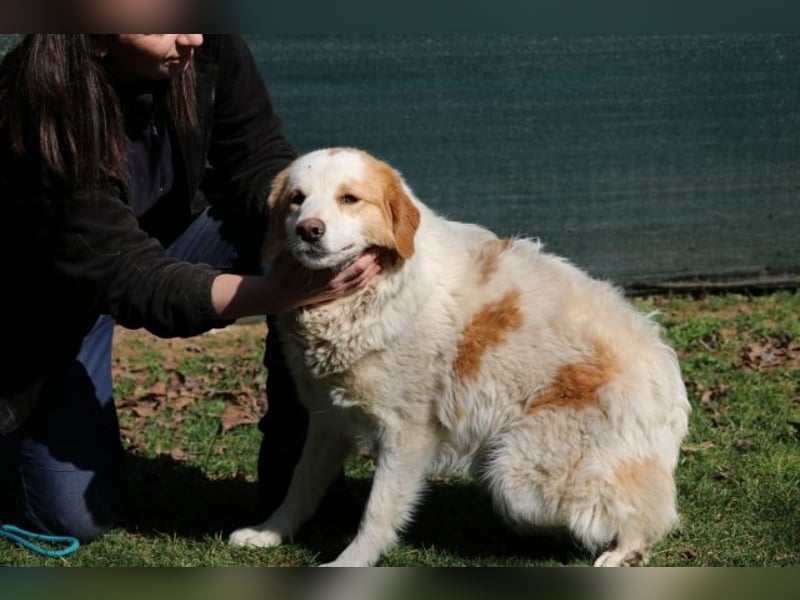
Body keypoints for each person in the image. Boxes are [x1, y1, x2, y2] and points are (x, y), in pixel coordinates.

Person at [0, 34, 381, 542]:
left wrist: (309, 218)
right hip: (43, 303)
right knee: (72, 518)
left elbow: (256, 156)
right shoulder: (35, 105)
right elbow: (129, 278)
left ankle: (299, 486)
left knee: (298, 237)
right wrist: (275, 294)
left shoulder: (205, 46)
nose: (191, 36)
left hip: (153, 248)